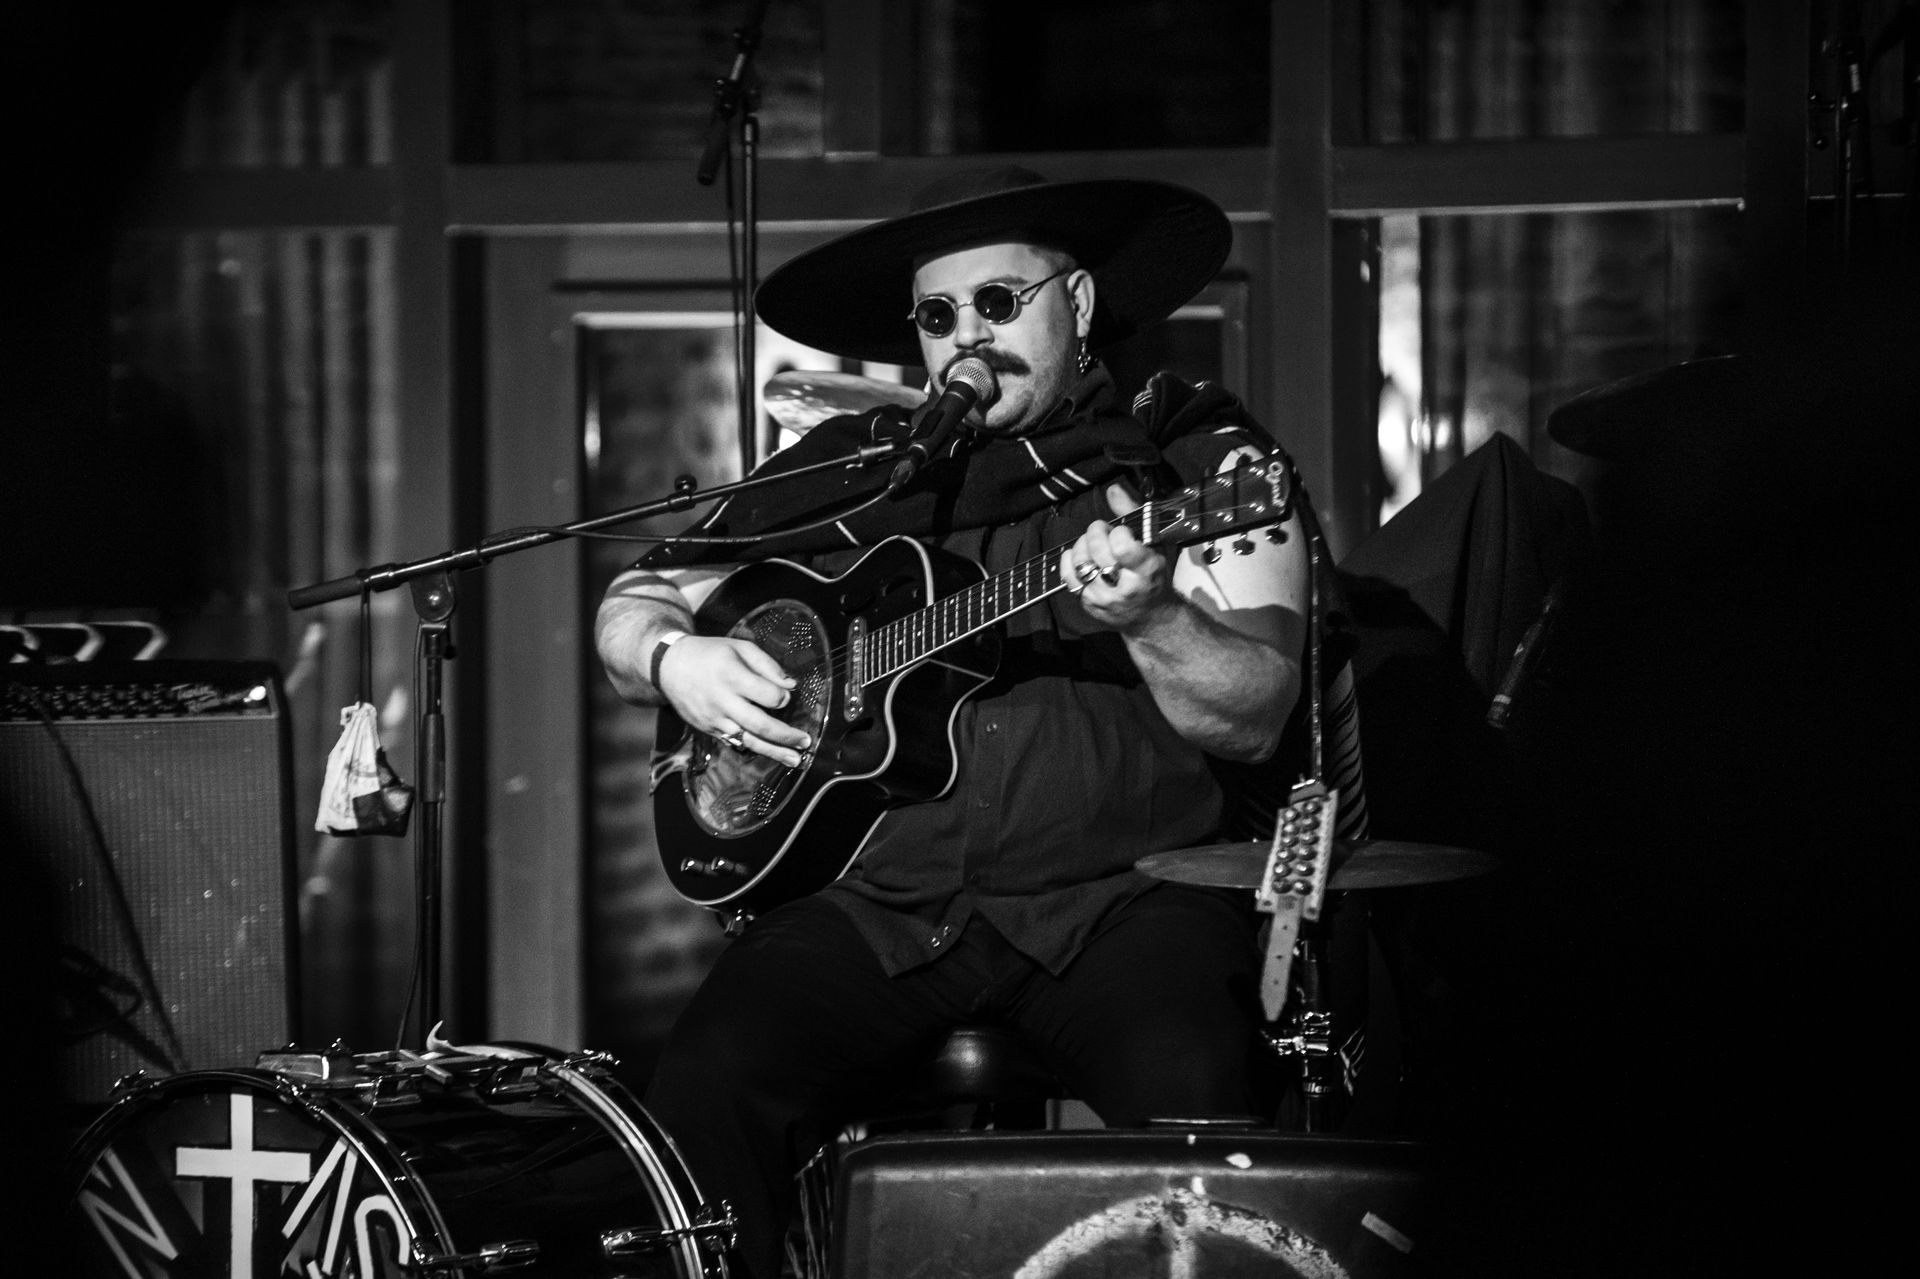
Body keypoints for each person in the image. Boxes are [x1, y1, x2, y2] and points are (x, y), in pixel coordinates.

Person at [594, 166, 1342, 1279]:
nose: (965, 338)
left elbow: (1255, 713)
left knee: (1203, 1103)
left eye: (999, 303)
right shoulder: (852, 471)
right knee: (706, 1085)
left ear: (1077, 306)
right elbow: (635, 598)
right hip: (888, 906)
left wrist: (1150, 616)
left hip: (1124, 902)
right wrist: (677, 657)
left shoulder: (1192, 456)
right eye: (939, 317)